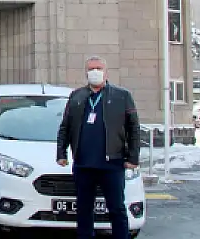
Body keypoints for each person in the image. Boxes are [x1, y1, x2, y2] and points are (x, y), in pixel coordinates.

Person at [56, 56, 141, 239]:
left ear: (105, 71)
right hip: (83, 164)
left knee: (117, 208)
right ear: (86, 72)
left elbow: (134, 128)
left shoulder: (122, 96)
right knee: (84, 209)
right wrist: (61, 153)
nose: (95, 72)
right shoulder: (77, 96)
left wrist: (133, 158)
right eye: (91, 68)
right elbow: (65, 126)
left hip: (112, 164)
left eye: (98, 68)